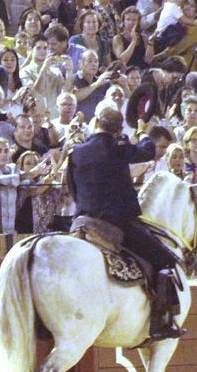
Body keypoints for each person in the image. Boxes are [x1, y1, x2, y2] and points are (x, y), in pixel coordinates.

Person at [66, 103, 186, 340]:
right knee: (164, 258)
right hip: (116, 224)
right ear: (117, 130)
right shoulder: (118, 146)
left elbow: (72, 189)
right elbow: (147, 151)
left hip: (81, 223)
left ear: (97, 123)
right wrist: (142, 131)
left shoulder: (76, 152)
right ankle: (160, 322)